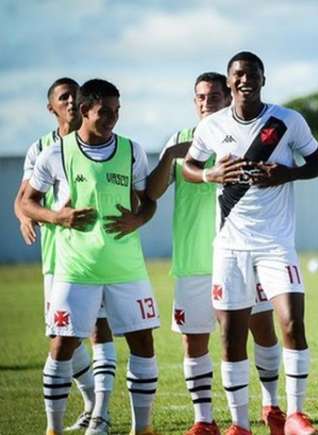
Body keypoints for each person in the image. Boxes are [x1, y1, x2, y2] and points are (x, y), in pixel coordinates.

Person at [183, 51, 318, 435]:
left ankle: (295, 415)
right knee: (231, 335)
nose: (245, 80)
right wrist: (210, 174)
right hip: (230, 246)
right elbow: (189, 167)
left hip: (276, 243)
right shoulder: (211, 126)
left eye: (252, 74)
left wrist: (287, 173)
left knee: (291, 322)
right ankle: (241, 425)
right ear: (229, 82)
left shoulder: (287, 121)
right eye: (238, 75)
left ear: (264, 79)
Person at [21, 79, 160, 435]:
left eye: (117, 111)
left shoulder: (132, 150)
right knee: (63, 344)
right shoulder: (56, 153)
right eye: (105, 112)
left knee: (143, 342)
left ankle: (141, 429)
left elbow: (149, 202)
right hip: (76, 270)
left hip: (127, 269)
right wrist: (57, 217)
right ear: (85, 111)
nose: (113, 118)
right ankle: (53, 429)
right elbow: (27, 202)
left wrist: (138, 218)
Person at [13, 78, 118, 433]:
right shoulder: (42, 148)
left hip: (96, 256)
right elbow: (23, 199)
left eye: (75, 95)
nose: (71, 101)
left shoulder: (106, 141)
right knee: (61, 337)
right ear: (52, 108)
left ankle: (101, 413)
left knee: (98, 329)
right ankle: (92, 402)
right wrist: (29, 216)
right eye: (63, 97)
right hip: (56, 257)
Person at [145, 72, 231, 434]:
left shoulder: (238, 136)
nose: (205, 102)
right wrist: (168, 156)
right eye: (199, 97)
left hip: (234, 257)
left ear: (228, 98)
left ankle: (262, 413)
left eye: (213, 96)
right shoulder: (180, 141)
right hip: (192, 261)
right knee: (193, 340)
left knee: (241, 337)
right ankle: (203, 421)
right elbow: (152, 193)